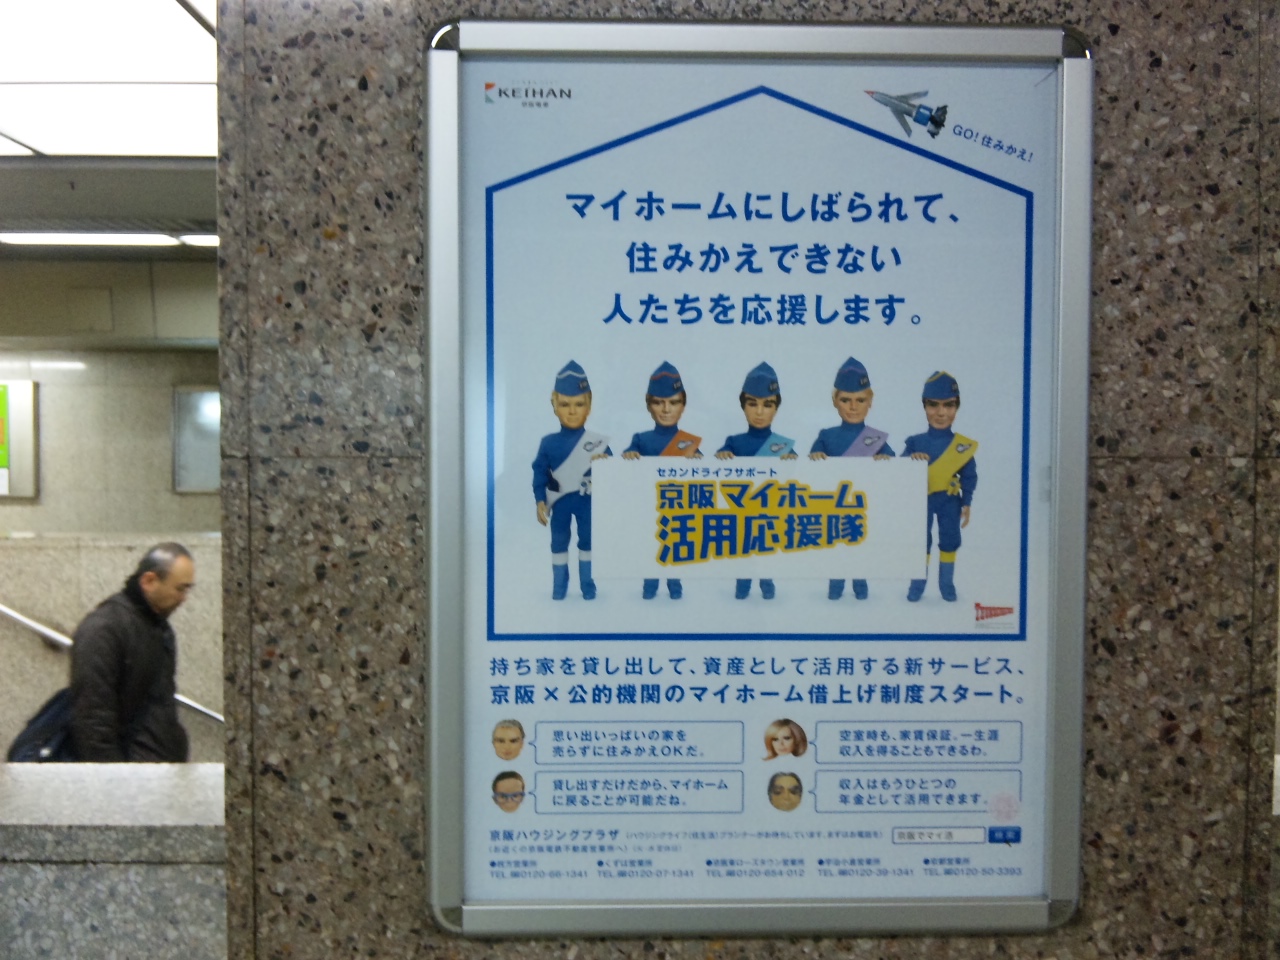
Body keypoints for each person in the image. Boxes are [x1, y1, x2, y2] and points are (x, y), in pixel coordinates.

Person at [68, 542, 195, 762]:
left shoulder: (158, 627)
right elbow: (92, 717)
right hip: (131, 772)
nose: (183, 598)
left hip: (154, 767)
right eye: (179, 589)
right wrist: (117, 777)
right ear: (149, 581)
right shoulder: (104, 629)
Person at [809, 356, 894, 601]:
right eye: (846, 400)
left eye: (860, 400)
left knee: (861, 547)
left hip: (864, 505)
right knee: (837, 547)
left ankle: (860, 586)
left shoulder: (876, 439)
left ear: (870, 401)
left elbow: (896, 470)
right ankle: (835, 588)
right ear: (835, 401)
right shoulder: (826, 436)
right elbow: (811, 465)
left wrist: (885, 461)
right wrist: (816, 456)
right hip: (834, 505)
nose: (853, 407)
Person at [715, 361, 797, 600]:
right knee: (743, 555)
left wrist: (791, 461)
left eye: (767, 405)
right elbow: (717, 468)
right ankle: (742, 590)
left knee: (765, 554)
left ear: (776, 408)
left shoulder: (783, 445)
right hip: (741, 513)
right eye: (752, 404)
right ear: (743, 406)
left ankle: (767, 588)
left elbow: (795, 478)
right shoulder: (734, 442)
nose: (759, 412)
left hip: (769, 513)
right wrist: (723, 456)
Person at [532, 360, 610, 600]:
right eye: (565, 404)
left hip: (588, 503)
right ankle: (559, 585)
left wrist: (604, 464)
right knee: (558, 542)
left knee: (588, 542)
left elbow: (614, 478)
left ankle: (588, 584)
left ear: (589, 405)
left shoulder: (598, 443)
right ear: (554, 405)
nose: (572, 411)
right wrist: (540, 500)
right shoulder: (548, 443)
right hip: (560, 504)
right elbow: (539, 473)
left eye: (579, 404)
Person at [623, 360, 701, 600]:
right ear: (649, 405)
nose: (666, 409)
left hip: (677, 507)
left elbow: (703, 474)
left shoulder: (689, 442)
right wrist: (630, 455)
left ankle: (675, 586)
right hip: (648, 507)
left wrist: (697, 461)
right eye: (659, 402)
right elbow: (625, 461)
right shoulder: (641, 438)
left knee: (675, 546)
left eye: (674, 402)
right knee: (651, 547)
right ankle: (650, 586)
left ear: (683, 405)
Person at [901, 371, 978, 602]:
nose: (941, 412)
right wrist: (912, 460)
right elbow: (899, 471)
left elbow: (969, 476)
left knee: (950, 539)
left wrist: (966, 502)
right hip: (921, 500)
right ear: (924, 406)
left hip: (949, 500)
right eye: (933, 405)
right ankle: (917, 585)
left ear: (957, 407)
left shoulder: (962, 446)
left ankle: (946, 584)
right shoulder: (915, 442)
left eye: (949, 405)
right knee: (919, 542)